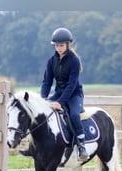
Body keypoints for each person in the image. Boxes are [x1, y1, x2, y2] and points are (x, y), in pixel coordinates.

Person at [20, 27, 89, 161]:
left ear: (68, 44)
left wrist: (60, 102)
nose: (59, 48)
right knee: (38, 113)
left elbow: (71, 84)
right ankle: (32, 146)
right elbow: (47, 82)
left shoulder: (74, 61)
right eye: (56, 45)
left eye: (61, 45)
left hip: (74, 95)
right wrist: (42, 99)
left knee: (74, 115)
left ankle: (82, 146)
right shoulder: (51, 61)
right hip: (58, 94)